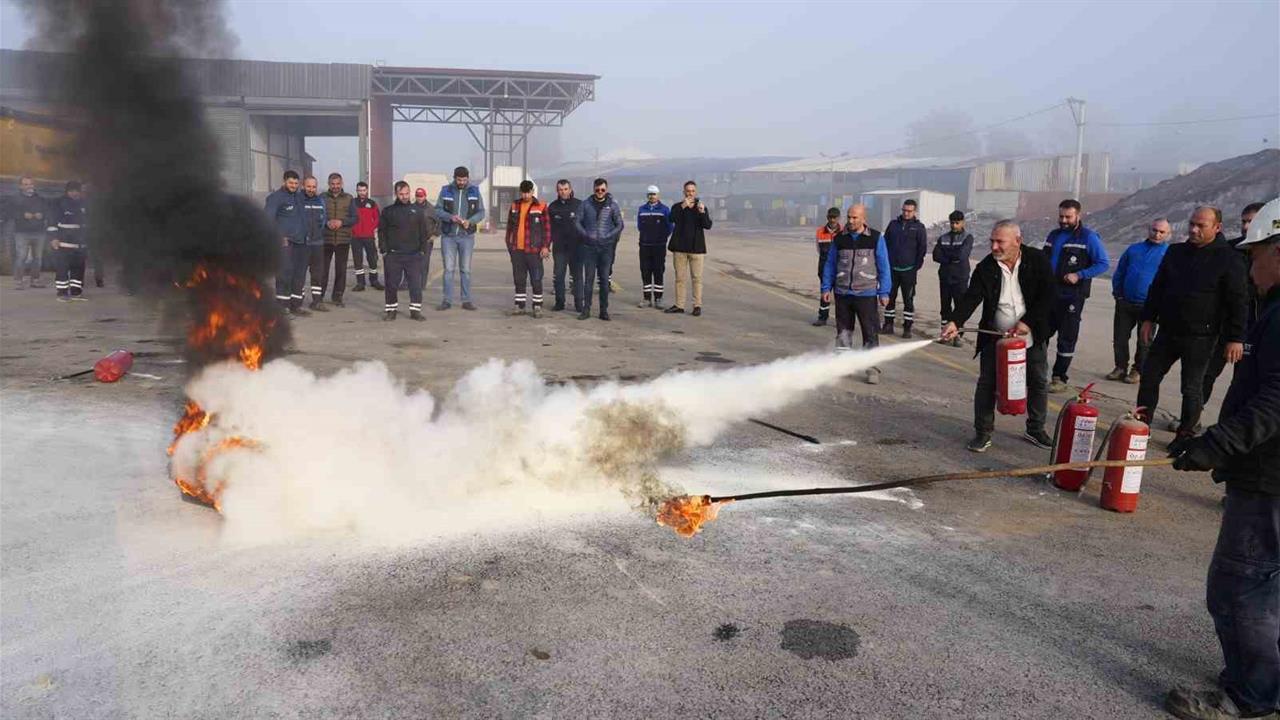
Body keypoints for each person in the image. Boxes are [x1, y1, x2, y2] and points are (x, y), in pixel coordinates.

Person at [1163, 197, 1280, 720]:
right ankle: (1260, 683)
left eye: (1255, 254)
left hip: (1269, 478)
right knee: (1266, 583)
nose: (1249, 264)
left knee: (1240, 586)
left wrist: (1215, 445)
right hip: (1265, 469)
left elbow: (1275, 402)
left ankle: (1248, 697)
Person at [1136, 206, 1249, 453]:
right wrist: (1148, 318)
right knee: (1149, 377)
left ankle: (1185, 434)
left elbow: (1238, 302)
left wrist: (1236, 338)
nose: (1194, 230)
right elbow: (1158, 287)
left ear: (1217, 228)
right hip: (1168, 331)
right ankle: (1140, 424)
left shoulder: (1229, 259)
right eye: (1192, 224)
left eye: (1201, 226)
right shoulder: (1176, 252)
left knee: (1191, 388)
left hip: (1202, 337)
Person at [940, 219, 1056, 453]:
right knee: (987, 384)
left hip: (1031, 336)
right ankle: (983, 433)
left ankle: (1035, 429)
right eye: (992, 241)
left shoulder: (1037, 261)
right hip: (995, 336)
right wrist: (955, 321)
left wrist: (1028, 323)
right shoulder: (986, 267)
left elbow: (1049, 296)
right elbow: (971, 297)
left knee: (1037, 382)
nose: (994, 247)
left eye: (999, 242)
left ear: (1017, 241)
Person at [1203, 201, 1268, 405]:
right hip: (1222, 329)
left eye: (1252, 221)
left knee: (1244, 380)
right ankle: (1190, 419)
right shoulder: (1228, 250)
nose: (1246, 226)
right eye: (1244, 221)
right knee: (1205, 375)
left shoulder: (1272, 254)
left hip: (1255, 330)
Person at [1044, 199, 1110, 392]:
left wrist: (1079, 275)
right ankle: (1037, 372)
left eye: (1068, 217)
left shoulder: (1089, 238)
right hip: (1050, 294)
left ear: (1078, 216)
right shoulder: (1053, 235)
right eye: (1061, 216)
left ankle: (1059, 378)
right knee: (1040, 334)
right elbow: (1044, 260)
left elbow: (1103, 263)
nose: (1063, 220)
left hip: (1071, 296)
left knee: (1067, 337)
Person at [820, 204, 890, 383]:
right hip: (842, 293)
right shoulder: (839, 239)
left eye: (855, 218)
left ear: (863, 219)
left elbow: (884, 266)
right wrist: (826, 288)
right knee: (843, 331)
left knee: (870, 331)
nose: (850, 221)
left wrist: (884, 292)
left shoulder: (875, 238)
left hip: (866, 293)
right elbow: (830, 264)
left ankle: (872, 368)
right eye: (849, 217)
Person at [1106, 218, 1172, 384]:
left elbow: (1171, 281)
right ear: (1148, 230)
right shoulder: (1134, 249)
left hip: (1149, 307)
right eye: (1154, 230)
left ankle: (1138, 370)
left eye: (1162, 232)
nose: (1157, 234)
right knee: (1120, 338)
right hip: (1125, 303)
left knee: (1144, 341)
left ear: (1168, 234)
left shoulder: (1170, 254)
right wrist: (1118, 295)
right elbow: (1120, 272)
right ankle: (1120, 367)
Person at [378, 181, 432, 321]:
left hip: (413, 255)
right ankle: (391, 310)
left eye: (406, 193)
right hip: (393, 255)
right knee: (391, 284)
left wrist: (422, 251)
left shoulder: (418, 211)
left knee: (415, 284)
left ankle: (415, 311)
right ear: (396, 193)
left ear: (410, 193)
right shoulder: (388, 211)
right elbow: (381, 232)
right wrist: (384, 250)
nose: (404, 196)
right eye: (401, 194)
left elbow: (423, 233)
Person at [435, 166, 484, 311]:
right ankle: (447, 300)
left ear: (468, 178)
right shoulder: (446, 190)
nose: (461, 182)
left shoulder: (474, 191)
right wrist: (451, 217)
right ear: (454, 178)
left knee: (465, 270)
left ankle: (466, 300)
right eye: (459, 179)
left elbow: (481, 212)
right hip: (448, 236)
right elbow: (437, 209)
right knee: (449, 269)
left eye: (464, 179)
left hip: (466, 237)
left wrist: (471, 221)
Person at [577, 178, 624, 321]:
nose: (600, 192)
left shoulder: (613, 206)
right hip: (589, 248)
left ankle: (604, 311)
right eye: (597, 190)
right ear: (593, 189)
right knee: (588, 280)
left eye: (602, 190)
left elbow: (619, 225)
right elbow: (577, 221)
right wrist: (586, 235)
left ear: (606, 189)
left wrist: (608, 237)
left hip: (606, 248)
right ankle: (586, 310)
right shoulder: (585, 204)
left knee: (604, 280)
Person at [880, 199, 928, 337]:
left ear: (914, 212)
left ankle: (907, 327)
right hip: (892, 270)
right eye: (904, 210)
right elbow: (885, 244)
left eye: (909, 211)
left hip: (909, 271)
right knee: (890, 298)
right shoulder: (893, 225)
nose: (906, 213)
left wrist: (915, 267)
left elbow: (922, 248)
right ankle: (888, 324)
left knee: (908, 299)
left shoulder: (919, 228)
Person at [504, 180, 552, 318]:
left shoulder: (541, 206)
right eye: (523, 192)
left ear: (532, 191)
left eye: (528, 192)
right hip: (517, 250)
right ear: (521, 192)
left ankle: (537, 306)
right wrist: (510, 245)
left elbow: (547, 229)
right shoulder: (515, 205)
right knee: (519, 279)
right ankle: (519, 306)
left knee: (536, 279)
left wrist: (545, 247)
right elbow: (509, 228)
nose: (525, 195)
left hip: (534, 251)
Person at [264, 170, 309, 314]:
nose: (294, 186)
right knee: (284, 274)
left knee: (299, 274)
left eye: (296, 183)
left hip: (301, 242)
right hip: (285, 244)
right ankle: (282, 307)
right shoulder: (275, 198)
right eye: (291, 183)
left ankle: (296, 305)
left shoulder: (299, 197)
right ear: (284, 181)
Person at [665, 180, 712, 316]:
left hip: (696, 249)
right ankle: (679, 305)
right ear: (684, 192)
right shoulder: (677, 207)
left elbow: (708, 225)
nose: (690, 193)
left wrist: (702, 212)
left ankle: (697, 306)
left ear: (695, 192)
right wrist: (683, 207)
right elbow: (671, 218)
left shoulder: (701, 207)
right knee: (680, 278)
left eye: (692, 191)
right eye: (688, 191)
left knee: (697, 278)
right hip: (680, 249)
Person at [932, 210, 974, 346]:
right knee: (945, 307)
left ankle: (958, 335)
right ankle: (945, 333)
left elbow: (962, 255)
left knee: (960, 306)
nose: (954, 225)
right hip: (945, 277)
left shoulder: (967, 237)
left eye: (957, 223)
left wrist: (947, 256)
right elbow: (936, 255)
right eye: (952, 223)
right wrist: (951, 257)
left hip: (960, 277)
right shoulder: (943, 237)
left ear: (962, 222)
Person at [319, 172, 357, 307]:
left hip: (343, 240)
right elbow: (317, 215)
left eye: (338, 184)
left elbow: (354, 218)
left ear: (342, 184)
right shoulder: (322, 198)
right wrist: (326, 222)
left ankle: (337, 297)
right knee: (323, 270)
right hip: (325, 240)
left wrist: (342, 222)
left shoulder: (349, 198)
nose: (335, 186)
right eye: (333, 184)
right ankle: (319, 296)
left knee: (341, 270)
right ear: (329, 184)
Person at [47, 180, 88, 302]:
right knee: (63, 268)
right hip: (63, 243)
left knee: (79, 267)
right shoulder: (59, 203)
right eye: (72, 191)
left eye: (77, 191)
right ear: (67, 191)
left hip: (80, 244)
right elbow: (52, 222)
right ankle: (62, 293)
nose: (75, 193)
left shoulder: (84, 203)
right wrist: (53, 238)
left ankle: (76, 292)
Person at [548, 179, 584, 312]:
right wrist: (546, 245)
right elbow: (548, 229)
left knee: (578, 277)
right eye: (560, 190)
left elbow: (585, 226)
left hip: (577, 249)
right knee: (559, 276)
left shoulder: (580, 205)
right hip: (559, 249)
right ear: (557, 191)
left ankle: (579, 304)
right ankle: (559, 302)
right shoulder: (552, 207)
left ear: (570, 189)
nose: (563, 192)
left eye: (565, 189)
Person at [636, 185, 672, 308]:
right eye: (650, 194)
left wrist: (661, 238)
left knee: (658, 271)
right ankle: (646, 298)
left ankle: (658, 298)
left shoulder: (664, 210)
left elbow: (670, 227)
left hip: (659, 246)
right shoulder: (642, 209)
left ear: (658, 195)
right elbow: (640, 226)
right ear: (647, 195)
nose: (652, 196)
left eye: (654, 194)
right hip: (645, 245)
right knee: (645, 271)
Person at [9, 176, 47, 289]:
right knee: (21, 257)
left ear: (34, 185)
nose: (29, 186)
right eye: (25, 184)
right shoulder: (14, 199)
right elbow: (9, 213)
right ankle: (19, 281)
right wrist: (23, 215)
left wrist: (42, 215)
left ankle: (35, 280)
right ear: (20, 186)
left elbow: (47, 211)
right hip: (22, 232)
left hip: (39, 232)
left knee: (38, 258)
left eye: (30, 184)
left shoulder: (40, 199)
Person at [300, 176, 329, 311]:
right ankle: (298, 300)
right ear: (303, 186)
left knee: (317, 273)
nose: (311, 189)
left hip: (317, 243)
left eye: (313, 187)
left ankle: (317, 301)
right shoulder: (298, 200)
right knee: (300, 272)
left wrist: (318, 234)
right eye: (309, 186)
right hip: (302, 243)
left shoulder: (320, 201)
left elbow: (323, 220)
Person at [350, 181, 383, 292]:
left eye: (364, 190)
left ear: (367, 190)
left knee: (372, 259)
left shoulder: (372, 204)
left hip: (368, 236)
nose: (362, 192)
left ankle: (374, 281)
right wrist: (353, 229)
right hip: (355, 237)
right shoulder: (352, 203)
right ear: (357, 191)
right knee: (357, 260)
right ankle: (360, 283)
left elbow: (377, 218)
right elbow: (349, 217)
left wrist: (371, 228)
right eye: (360, 190)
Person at [812, 207, 841, 326]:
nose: (833, 220)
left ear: (838, 218)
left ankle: (841, 320)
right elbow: (818, 249)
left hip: (840, 269)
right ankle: (822, 317)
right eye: (831, 217)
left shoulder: (844, 231)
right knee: (825, 293)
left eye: (835, 218)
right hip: (824, 268)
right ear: (827, 217)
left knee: (840, 296)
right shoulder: (820, 232)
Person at [412, 188, 439, 293]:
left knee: (424, 263)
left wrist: (435, 235)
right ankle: (411, 283)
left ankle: (422, 284)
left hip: (427, 241)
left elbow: (439, 223)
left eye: (421, 196)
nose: (419, 198)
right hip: (413, 240)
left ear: (425, 196)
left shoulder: (431, 209)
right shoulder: (411, 207)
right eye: (418, 196)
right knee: (412, 263)